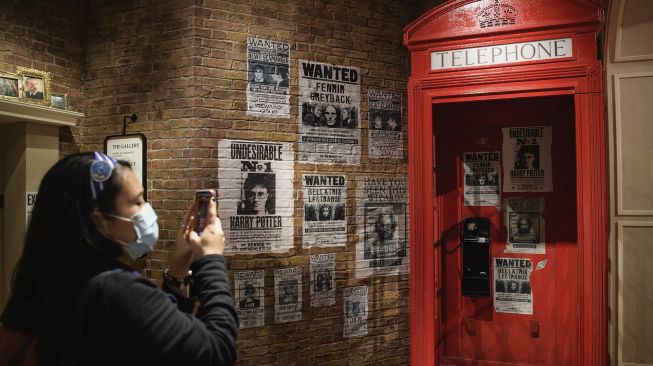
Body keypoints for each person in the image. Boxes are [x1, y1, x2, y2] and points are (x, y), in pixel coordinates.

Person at [0, 152, 238, 365]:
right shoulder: (116, 290)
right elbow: (216, 351)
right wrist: (211, 260)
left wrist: (177, 269)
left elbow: (163, 342)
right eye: (137, 201)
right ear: (99, 221)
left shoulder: (52, 279)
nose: (147, 209)